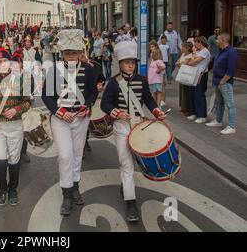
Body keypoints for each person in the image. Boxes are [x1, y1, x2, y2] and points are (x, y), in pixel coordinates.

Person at [101, 40, 165, 222]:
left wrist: (156, 111)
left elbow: (149, 100)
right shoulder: (113, 83)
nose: (131, 65)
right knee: (126, 164)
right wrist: (117, 112)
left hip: (139, 126)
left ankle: (125, 184)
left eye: (133, 62)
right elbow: (105, 103)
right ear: (120, 63)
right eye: (127, 62)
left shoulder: (142, 80)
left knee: (139, 161)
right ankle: (131, 202)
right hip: (121, 127)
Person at [42, 29, 98, 216]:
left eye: (74, 52)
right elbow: (47, 96)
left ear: (80, 52)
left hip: (81, 118)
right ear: (62, 53)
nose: (71, 56)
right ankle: (66, 193)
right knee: (65, 155)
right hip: (60, 119)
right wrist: (59, 111)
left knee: (76, 155)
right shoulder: (53, 70)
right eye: (68, 53)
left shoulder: (90, 70)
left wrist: (87, 105)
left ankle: (75, 187)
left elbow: (92, 92)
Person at [0, 47, 31, 206]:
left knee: (14, 161)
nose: (2, 64)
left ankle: (13, 189)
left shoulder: (20, 80)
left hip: (15, 126)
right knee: (0, 161)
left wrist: (17, 109)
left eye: (4, 61)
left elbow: (27, 102)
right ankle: (2, 189)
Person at [205, 33, 238, 135]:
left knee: (230, 104)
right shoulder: (221, 51)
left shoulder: (231, 52)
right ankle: (218, 121)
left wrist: (223, 81)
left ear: (223, 40)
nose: (216, 41)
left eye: (218, 39)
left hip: (224, 82)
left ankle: (232, 126)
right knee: (220, 103)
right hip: (217, 81)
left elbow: (231, 70)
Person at [183, 36, 211, 124]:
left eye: (196, 42)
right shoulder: (198, 51)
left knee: (199, 94)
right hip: (194, 74)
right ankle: (193, 112)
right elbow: (190, 61)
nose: (194, 44)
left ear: (201, 43)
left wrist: (192, 58)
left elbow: (194, 62)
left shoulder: (205, 52)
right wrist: (192, 58)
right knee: (193, 93)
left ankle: (202, 115)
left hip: (201, 75)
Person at [176, 42, 194, 116]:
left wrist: (180, 63)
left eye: (183, 47)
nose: (181, 48)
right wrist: (180, 63)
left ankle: (186, 108)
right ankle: (182, 107)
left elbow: (183, 63)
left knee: (186, 92)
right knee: (181, 91)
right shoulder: (183, 54)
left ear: (187, 48)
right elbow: (178, 62)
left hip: (187, 76)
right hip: (182, 75)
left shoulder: (190, 56)